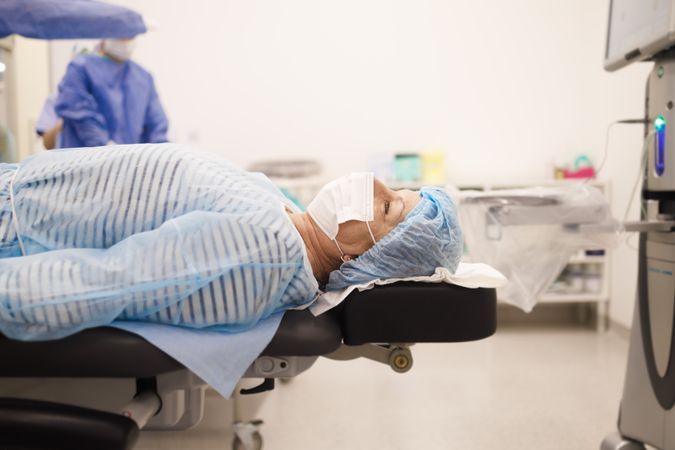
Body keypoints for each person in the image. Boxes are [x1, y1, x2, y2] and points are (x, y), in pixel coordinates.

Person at [0, 143, 462, 340]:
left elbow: (100, 285)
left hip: (16, 230)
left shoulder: (266, 255)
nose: (377, 185)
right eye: (393, 191)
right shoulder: (283, 218)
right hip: (21, 193)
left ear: (367, 254)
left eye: (387, 208)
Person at [54, 38, 168, 148]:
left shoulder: (143, 77)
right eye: (122, 36)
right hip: (86, 161)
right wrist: (106, 149)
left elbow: (156, 125)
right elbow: (78, 111)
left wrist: (159, 155)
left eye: (131, 36)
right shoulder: (81, 68)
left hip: (129, 163)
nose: (126, 42)